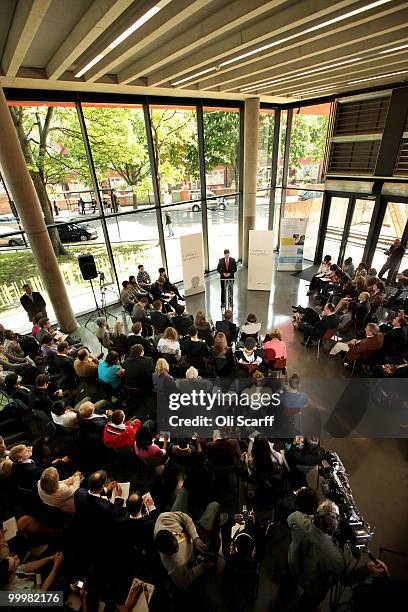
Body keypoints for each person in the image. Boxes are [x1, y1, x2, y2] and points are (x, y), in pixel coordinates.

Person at [286, 499, 388, 610]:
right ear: (336, 525)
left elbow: (292, 518)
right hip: (313, 588)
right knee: (306, 605)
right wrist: (367, 568)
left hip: (293, 566)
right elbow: (347, 580)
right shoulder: (335, 557)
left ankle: (284, 595)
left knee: (287, 585)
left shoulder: (298, 520)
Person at [154, 505, 220, 590]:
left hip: (195, 532)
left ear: (170, 532)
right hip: (196, 554)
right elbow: (183, 583)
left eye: (176, 545)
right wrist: (202, 567)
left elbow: (185, 517)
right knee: (215, 506)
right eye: (174, 551)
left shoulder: (164, 518)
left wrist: (195, 538)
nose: (177, 549)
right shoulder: (174, 567)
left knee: (212, 504)